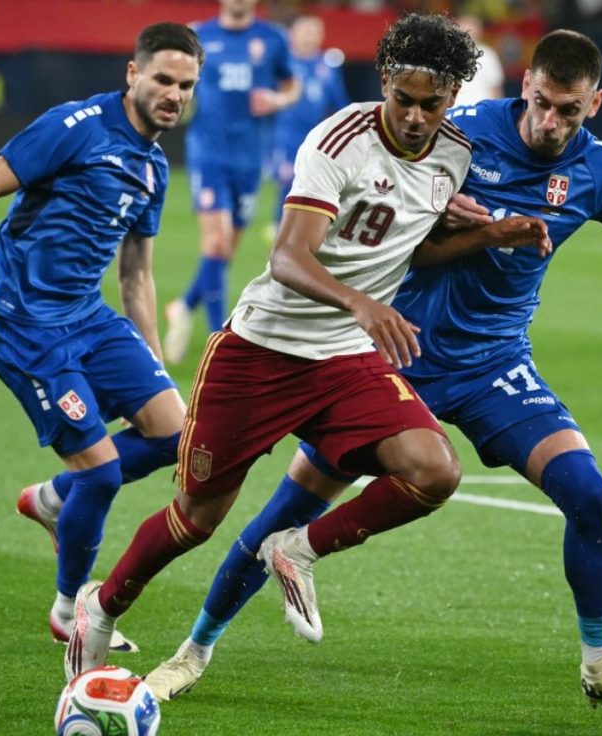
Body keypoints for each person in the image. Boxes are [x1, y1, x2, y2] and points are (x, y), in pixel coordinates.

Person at [143, 29, 602, 715]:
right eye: (542, 103)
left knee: (588, 494)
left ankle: (600, 664)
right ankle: (192, 653)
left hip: (494, 362)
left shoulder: (598, 172)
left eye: (568, 111)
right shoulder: (461, 136)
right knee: (293, 501)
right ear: (526, 87)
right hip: (397, 355)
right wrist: (445, 217)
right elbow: (380, 206)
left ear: (593, 104)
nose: (551, 122)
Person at [63, 12, 548, 681]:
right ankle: (103, 606)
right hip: (260, 353)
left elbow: (417, 246)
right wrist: (362, 302)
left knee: (435, 470)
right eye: (401, 99)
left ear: (453, 96)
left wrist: (489, 237)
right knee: (197, 520)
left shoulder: (454, 156)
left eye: (429, 105)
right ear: (383, 81)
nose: (412, 116)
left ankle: (297, 547)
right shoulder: (340, 138)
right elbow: (289, 257)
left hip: (344, 360)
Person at [0, 23, 204, 653]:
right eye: (164, 79)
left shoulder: (153, 166)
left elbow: (137, 274)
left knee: (180, 433)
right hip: (25, 325)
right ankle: (70, 608)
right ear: (132, 74)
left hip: (88, 317)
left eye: (186, 85)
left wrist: (155, 365)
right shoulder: (75, 126)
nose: (174, 94)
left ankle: (54, 499)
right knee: (103, 475)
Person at [163, 0, 301, 364]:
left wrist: (277, 99)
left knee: (224, 252)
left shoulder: (272, 38)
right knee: (217, 243)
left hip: (251, 158)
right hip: (208, 153)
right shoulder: (199, 35)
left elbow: (292, 86)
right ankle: (217, 342)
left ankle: (184, 305)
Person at [267, 14, 350, 239]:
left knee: (311, 182)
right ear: (292, 34)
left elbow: (339, 103)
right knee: (289, 179)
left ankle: (300, 228)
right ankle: (279, 228)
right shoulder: (283, 63)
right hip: (283, 134)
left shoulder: (327, 65)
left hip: (315, 136)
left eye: (314, 31)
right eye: (305, 30)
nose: (309, 36)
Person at [453, 14, 505, 108]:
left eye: (471, 29)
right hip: (452, 113)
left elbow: (495, 88)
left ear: (479, 32)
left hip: (480, 112)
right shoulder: (447, 55)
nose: (468, 33)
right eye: (464, 28)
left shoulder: (488, 55)